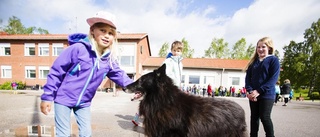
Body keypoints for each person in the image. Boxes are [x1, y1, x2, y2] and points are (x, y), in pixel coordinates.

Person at [39, 11, 133, 137]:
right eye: (102, 30)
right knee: (63, 134)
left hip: (84, 102)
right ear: (93, 30)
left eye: (110, 33)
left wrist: (136, 87)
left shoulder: (108, 59)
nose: (106, 36)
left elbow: (120, 75)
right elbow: (56, 72)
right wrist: (47, 97)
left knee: (86, 133)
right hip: (63, 99)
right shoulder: (77, 49)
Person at [245, 37, 280, 137]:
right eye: (258, 47)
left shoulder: (273, 60)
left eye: (263, 47)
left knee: (265, 117)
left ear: (269, 48)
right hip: (253, 95)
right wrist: (250, 91)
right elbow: (248, 78)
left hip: (267, 95)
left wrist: (259, 91)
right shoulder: (253, 62)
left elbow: (273, 79)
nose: (260, 49)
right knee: (254, 118)